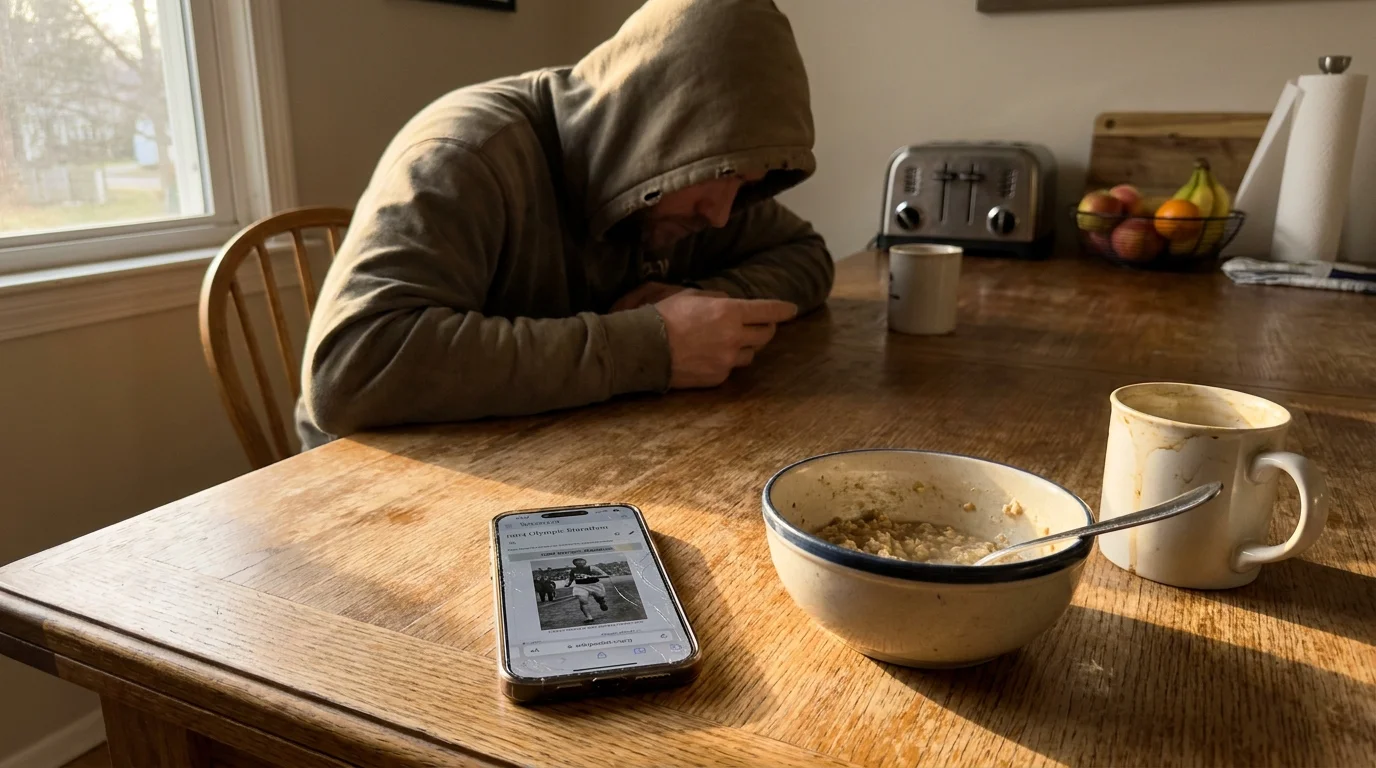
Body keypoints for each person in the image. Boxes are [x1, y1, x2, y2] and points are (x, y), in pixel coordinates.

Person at [296, 0, 833, 448]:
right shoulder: (462, 155)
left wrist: (707, 309)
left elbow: (805, 253)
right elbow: (350, 370)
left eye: (747, 182)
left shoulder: (693, 183)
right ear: (659, 129)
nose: (720, 213)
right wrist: (651, 345)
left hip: (554, 449)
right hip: (380, 487)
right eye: (726, 175)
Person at [566, 558, 610, 623]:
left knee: (599, 597)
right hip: (580, 586)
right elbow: (571, 578)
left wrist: (591, 576)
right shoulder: (573, 570)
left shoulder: (591, 567)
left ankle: (601, 602)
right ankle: (589, 617)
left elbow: (604, 574)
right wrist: (568, 584)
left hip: (594, 585)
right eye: (577, 561)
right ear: (574, 563)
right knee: (583, 601)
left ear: (585, 562)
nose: (579, 562)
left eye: (581, 561)